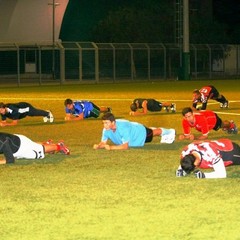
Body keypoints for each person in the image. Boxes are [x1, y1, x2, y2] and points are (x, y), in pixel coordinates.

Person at [93, 112, 176, 150]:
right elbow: (103, 142)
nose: (104, 125)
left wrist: (111, 147)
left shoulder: (122, 128)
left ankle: (170, 132)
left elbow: (125, 146)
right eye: (103, 123)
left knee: (154, 133)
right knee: (151, 130)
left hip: (140, 133)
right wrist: (99, 146)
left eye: (106, 123)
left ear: (113, 122)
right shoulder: (106, 130)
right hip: (132, 131)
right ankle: (151, 128)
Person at [176, 138, 240, 179]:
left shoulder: (211, 155)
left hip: (231, 151)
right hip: (218, 144)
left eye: (194, 167)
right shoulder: (185, 152)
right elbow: (186, 160)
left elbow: (222, 174)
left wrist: (204, 175)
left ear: (196, 162)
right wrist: (180, 169)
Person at [0, 132, 70, 164]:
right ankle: (47, 144)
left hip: (22, 147)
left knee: (38, 152)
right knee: (33, 145)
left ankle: (59, 146)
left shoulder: (3, 142)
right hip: (16, 141)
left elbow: (10, 160)